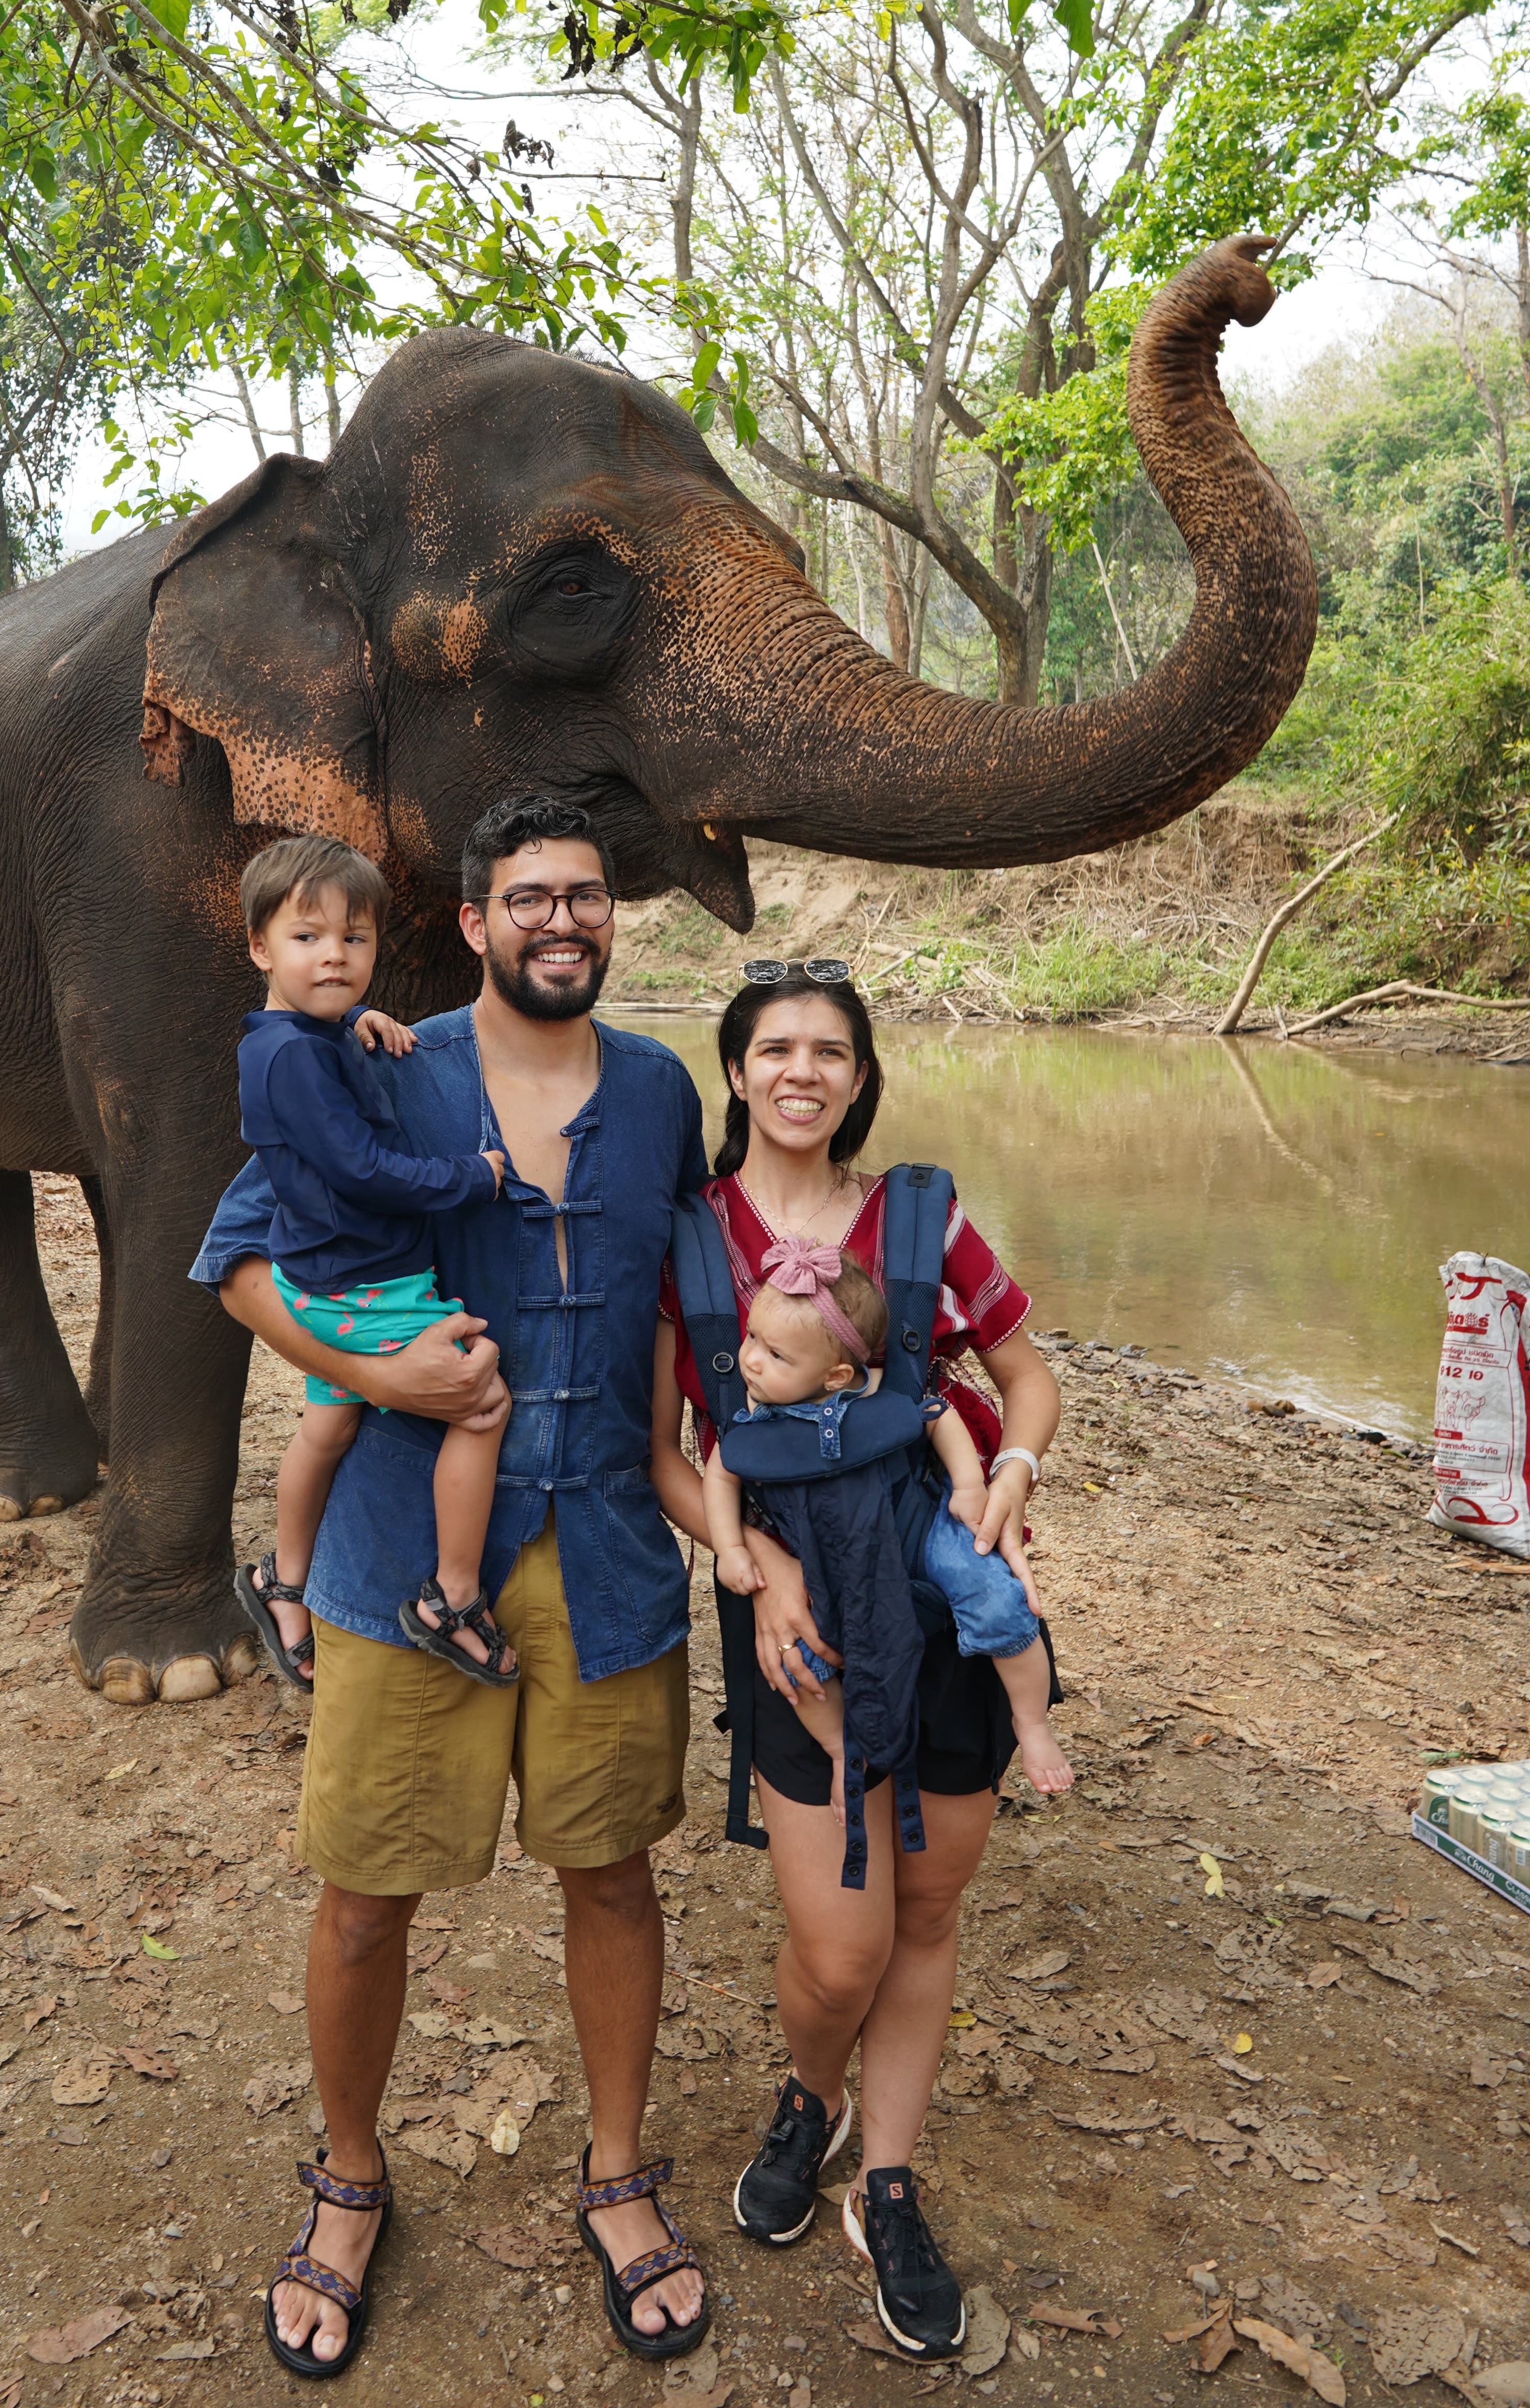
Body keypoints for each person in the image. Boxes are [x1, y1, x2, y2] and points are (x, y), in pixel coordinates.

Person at [195, 794, 713, 2380]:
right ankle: (349, 2177)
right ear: (474, 924)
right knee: (365, 1895)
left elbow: (699, 1298)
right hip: (402, 1554)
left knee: (611, 1872)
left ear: (610, 919)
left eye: (586, 898)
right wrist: (370, 1364)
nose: (562, 921)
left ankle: (614, 2173)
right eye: (527, 899)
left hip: (608, 1547)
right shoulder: (376, 1059)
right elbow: (233, 1258)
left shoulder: (656, 1092)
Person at [651, 963, 1064, 2359]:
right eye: (776, 1048)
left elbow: (1026, 1378)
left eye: (831, 1050)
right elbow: (668, 1447)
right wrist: (751, 1569)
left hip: (942, 1618)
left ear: (860, 1076)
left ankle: (885, 2180)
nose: (803, 1071)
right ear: (739, 1073)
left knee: (927, 1918)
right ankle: (807, 2090)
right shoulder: (693, 1239)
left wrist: (1007, 1477)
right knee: (841, 1952)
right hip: (800, 1635)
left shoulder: (923, 1218)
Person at [229, 833, 514, 1690]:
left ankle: (282, 1578)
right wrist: (474, 1176)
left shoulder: (298, 1039)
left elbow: (322, 1051)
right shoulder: (290, 1057)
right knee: (483, 1399)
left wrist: (358, 1020)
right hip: (367, 1288)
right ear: (259, 947)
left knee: (330, 1423)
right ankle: (452, 1596)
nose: (335, 956)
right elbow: (360, 1166)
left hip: (320, 1278)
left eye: (355, 941)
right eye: (308, 938)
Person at [700, 1246, 1074, 1807]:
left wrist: (970, 1486)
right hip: (833, 1561)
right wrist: (731, 1547)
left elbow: (937, 1416)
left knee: (997, 1597)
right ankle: (841, 1750)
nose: (750, 1361)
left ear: (837, 1374)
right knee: (799, 1658)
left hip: (922, 1531)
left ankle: (1033, 1723)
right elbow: (720, 1475)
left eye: (776, 1355)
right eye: (752, 1339)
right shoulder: (755, 1426)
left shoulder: (870, 1391)